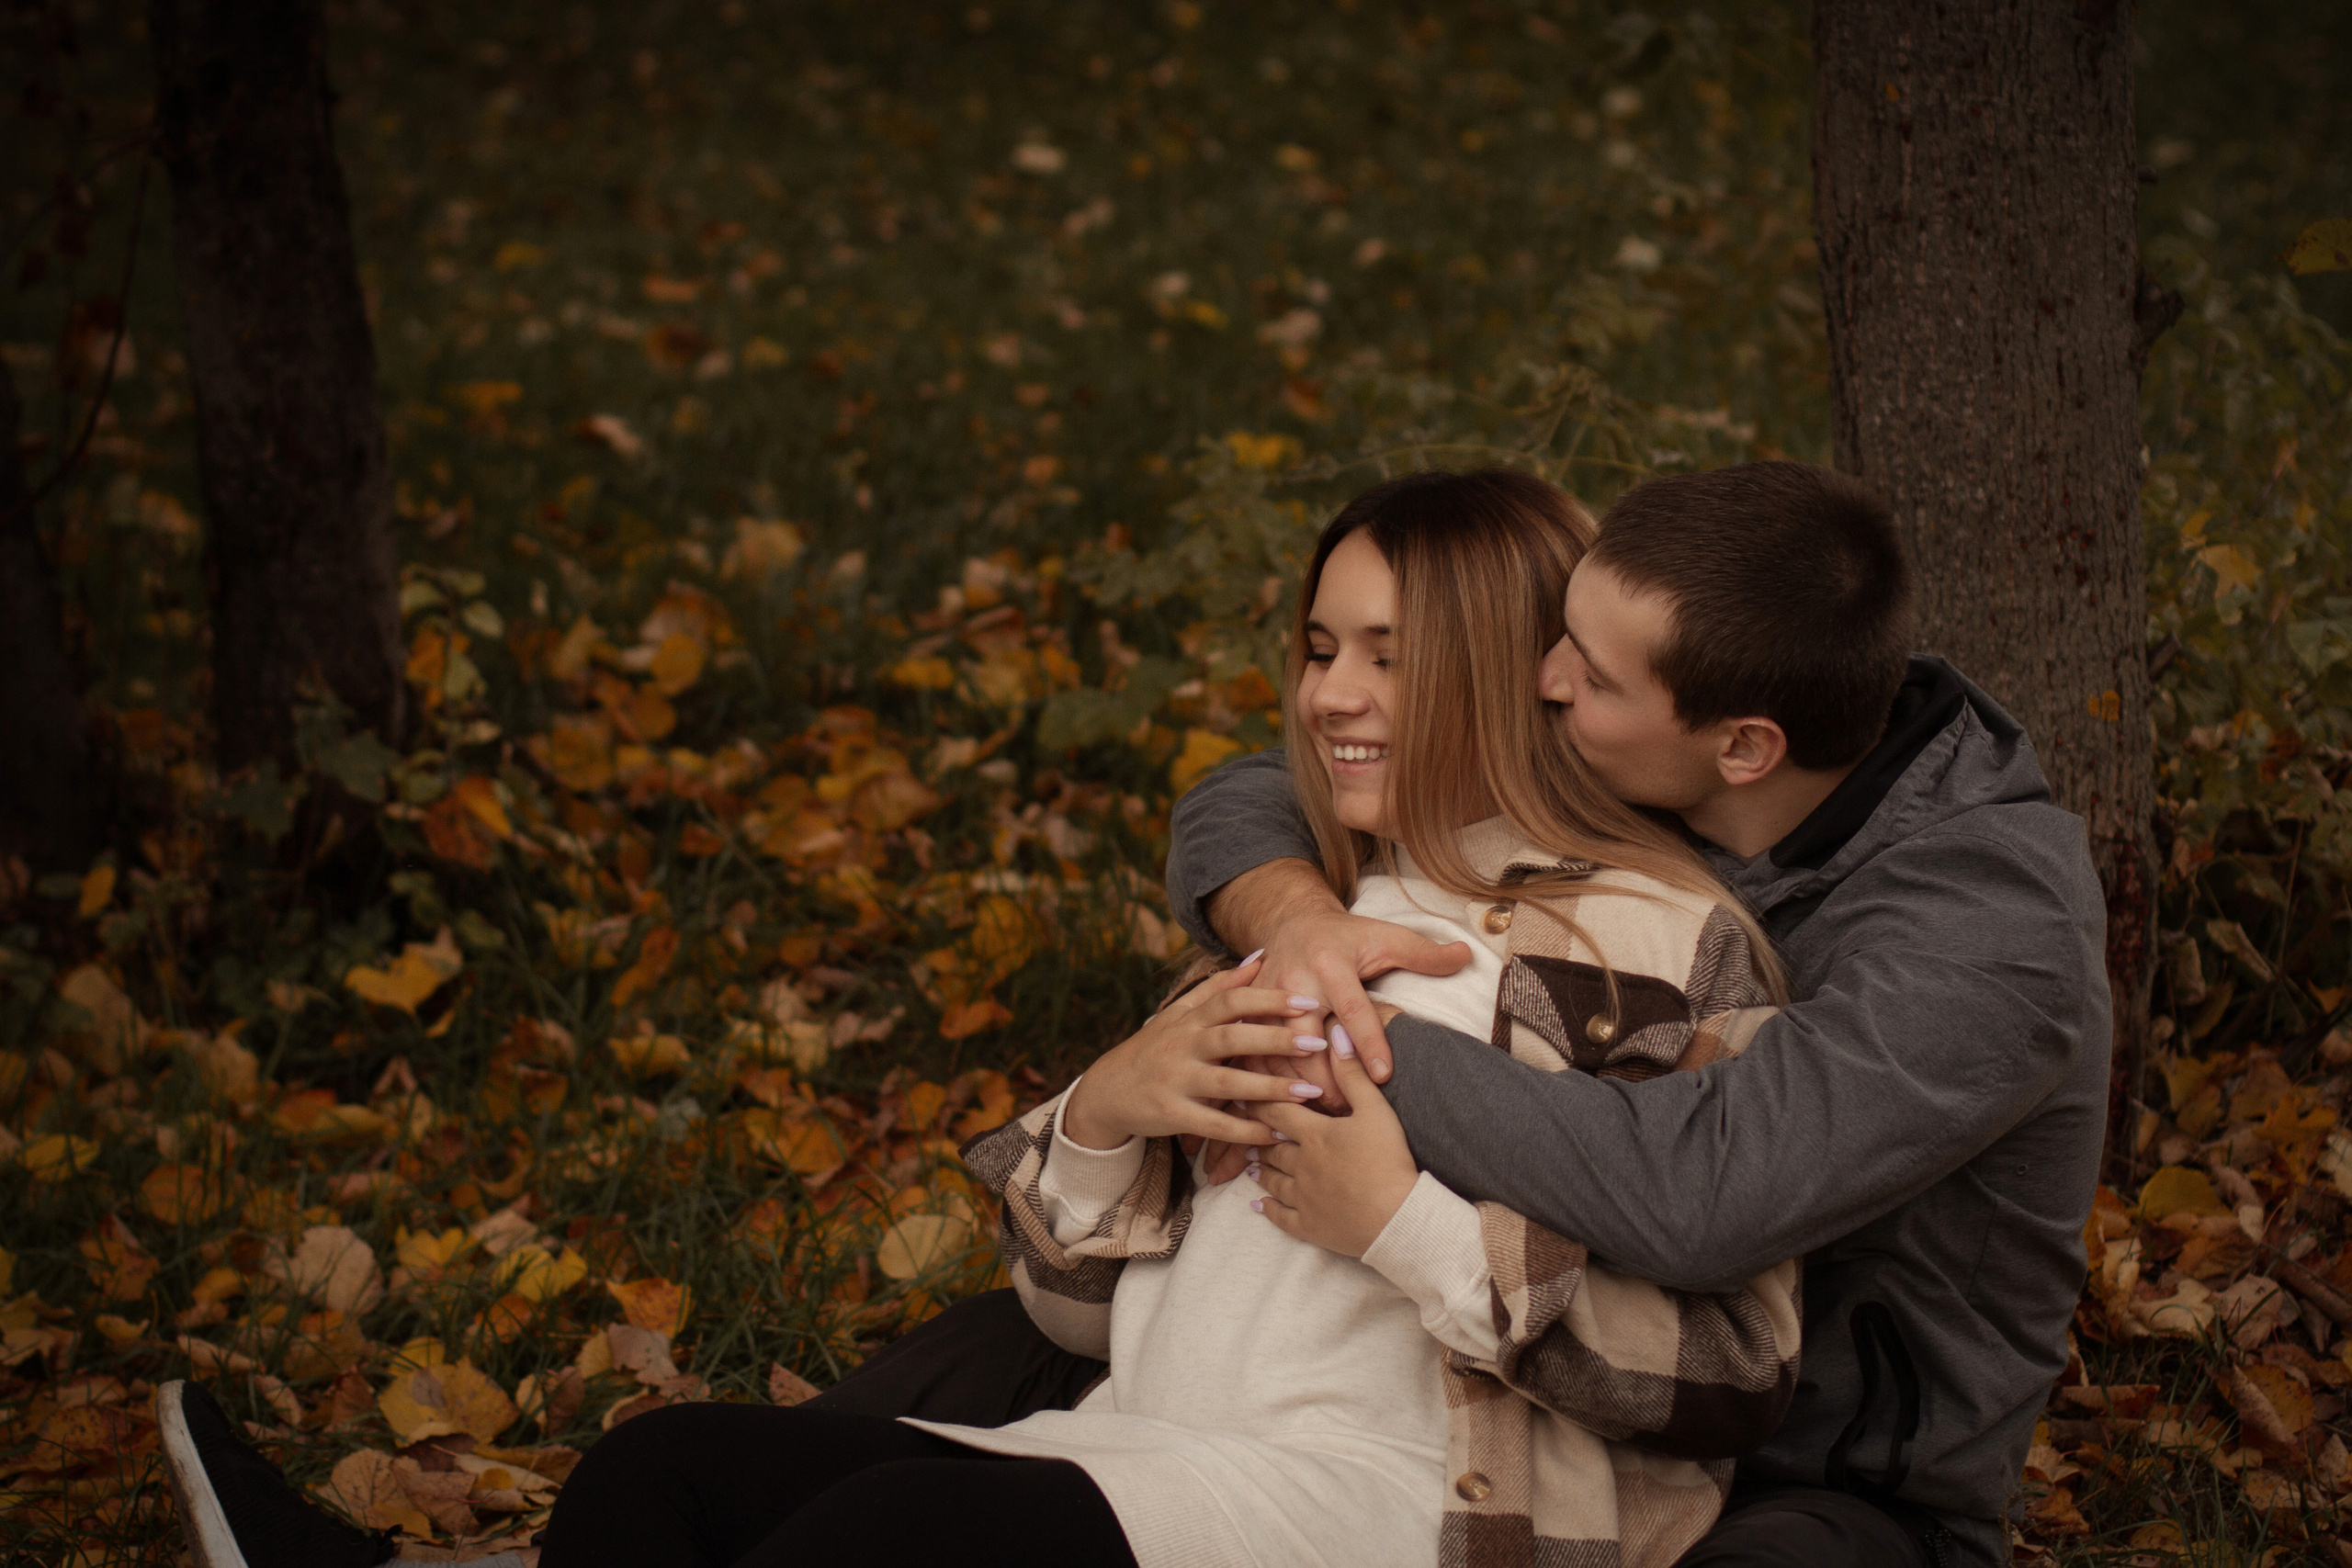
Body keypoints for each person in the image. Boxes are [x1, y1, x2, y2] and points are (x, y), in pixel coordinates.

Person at [155, 471, 1802, 1568]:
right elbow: (1076, 1316)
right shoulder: (1299, 909)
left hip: (1414, 1504)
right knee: (664, 1481)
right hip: (1153, 1440)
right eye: (1316, 648)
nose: (1330, 695)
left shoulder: (1657, 936)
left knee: (886, 1546)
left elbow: (1731, 1367)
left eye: (1387, 652)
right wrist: (1110, 1110)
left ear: (1523, 670)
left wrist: (1403, 1228)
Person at [825, 460, 2111, 1568]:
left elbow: (1703, 1195)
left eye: (1586, 675)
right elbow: (1263, 788)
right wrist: (1300, 928)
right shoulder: (1669, 727)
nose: (1539, 683)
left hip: (1822, 1476)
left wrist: (1331, 1044)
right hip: (1496, 1361)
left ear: (1745, 748)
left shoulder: (1988, 941)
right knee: (808, 1470)